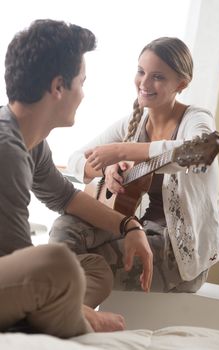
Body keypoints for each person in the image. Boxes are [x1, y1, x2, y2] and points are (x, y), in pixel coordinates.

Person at [0, 19, 153, 337]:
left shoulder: (30, 142)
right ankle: (66, 320)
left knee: (94, 270)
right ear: (58, 87)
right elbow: (19, 258)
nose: (83, 93)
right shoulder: (7, 150)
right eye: (81, 82)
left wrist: (129, 226)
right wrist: (81, 312)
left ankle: (48, 318)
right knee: (56, 263)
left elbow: (65, 197)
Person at [51, 36, 219, 293]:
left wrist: (123, 150)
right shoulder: (134, 121)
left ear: (182, 84)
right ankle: (63, 312)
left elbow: (201, 151)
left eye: (158, 77)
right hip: (138, 228)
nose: (144, 82)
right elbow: (77, 158)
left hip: (177, 254)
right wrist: (107, 168)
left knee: (82, 267)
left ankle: (60, 314)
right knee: (66, 226)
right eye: (141, 71)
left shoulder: (196, 118)